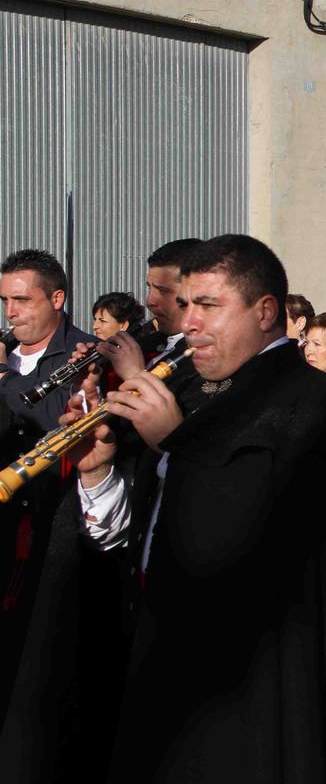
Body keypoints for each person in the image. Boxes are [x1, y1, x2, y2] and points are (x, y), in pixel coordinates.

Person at [68, 234, 326, 781]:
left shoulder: (314, 409)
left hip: (264, 694)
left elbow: (248, 549)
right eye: (186, 306)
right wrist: (100, 470)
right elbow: (148, 537)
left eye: (208, 306)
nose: (189, 323)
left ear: (265, 310)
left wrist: (177, 446)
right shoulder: (206, 392)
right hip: (180, 670)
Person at [0, 249, 95, 765]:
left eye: (21, 300)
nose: (10, 312)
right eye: (4, 301)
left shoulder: (84, 358)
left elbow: (57, 425)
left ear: (57, 299)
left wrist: (2, 382)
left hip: (49, 536)